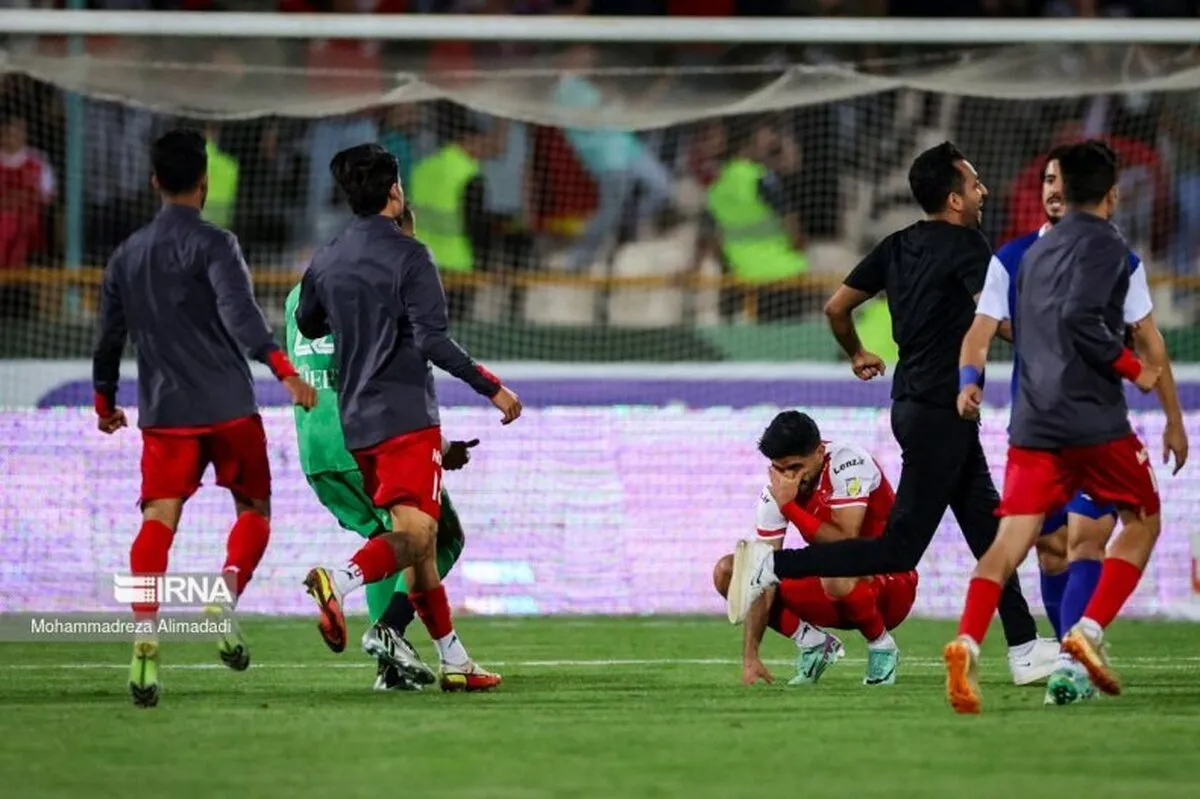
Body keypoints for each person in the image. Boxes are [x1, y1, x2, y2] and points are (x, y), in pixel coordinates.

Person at [724, 141, 1058, 687]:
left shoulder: (897, 245)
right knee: (899, 550)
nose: (983, 191)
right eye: (974, 183)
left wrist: (856, 352)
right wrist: (1057, 342)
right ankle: (771, 567)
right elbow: (993, 320)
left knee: (989, 532)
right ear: (954, 199)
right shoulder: (969, 245)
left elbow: (836, 307)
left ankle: (1023, 646)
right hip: (941, 411)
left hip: (914, 406)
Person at [92, 128, 317, 708]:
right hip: (229, 407)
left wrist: (104, 402)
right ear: (205, 181)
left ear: (154, 181)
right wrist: (283, 370)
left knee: (158, 518)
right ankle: (223, 595)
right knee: (254, 509)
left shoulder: (126, 255)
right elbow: (241, 314)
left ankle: (145, 634)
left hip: (165, 413)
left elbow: (109, 338)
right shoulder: (217, 243)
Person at [961, 145, 1188, 706]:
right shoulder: (1021, 256)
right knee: (1053, 549)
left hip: (1037, 428)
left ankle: (1053, 661)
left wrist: (1173, 417)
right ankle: (1080, 641)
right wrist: (1134, 372)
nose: (1053, 188)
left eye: (1059, 179)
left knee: (1081, 540)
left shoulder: (1076, 258)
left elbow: (1149, 338)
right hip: (1084, 423)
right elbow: (996, 330)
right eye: (1046, 179)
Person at [295, 143, 522, 693]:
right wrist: (492, 389)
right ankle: (340, 581)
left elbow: (307, 323)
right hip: (405, 415)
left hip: (357, 423)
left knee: (419, 537)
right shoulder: (411, 256)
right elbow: (433, 341)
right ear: (394, 190)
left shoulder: (327, 257)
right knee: (419, 537)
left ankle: (454, 659)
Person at [285, 205, 478, 692]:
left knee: (386, 538)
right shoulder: (382, 285)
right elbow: (383, 375)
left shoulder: (299, 295)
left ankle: (391, 666)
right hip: (366, 439)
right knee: (440, 536)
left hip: (315, 448)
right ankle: (385, 626)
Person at [712, 411, 917, 687]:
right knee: (730, 571)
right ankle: (814, 644)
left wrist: (790, 507)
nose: (788, 478)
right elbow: (761, 577)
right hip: (833, 592)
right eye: (778, 469)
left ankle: (881, 646)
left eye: (795, 467)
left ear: (819, 452)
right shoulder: (775, 493)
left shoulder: (848, 463)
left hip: (891, 588)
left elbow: (847, 543)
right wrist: (751, 656)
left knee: (836, 568)